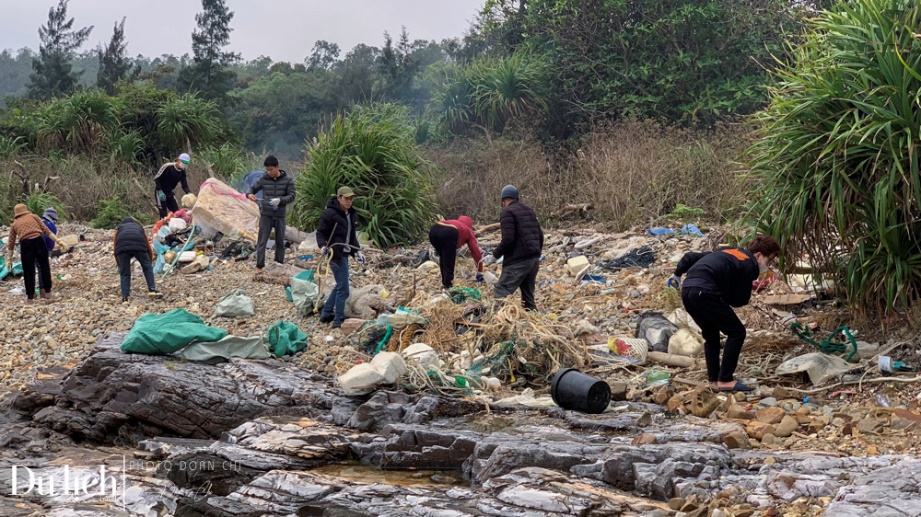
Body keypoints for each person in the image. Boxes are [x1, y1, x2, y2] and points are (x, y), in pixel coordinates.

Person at [669, 235, 781, 392]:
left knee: (711, 335)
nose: (767, 265)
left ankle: (714, 379)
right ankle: (726, 379)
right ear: (758, 255)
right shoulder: (750, 265)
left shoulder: (728, 251)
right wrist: (750, 287)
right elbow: (739, 301)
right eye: (769, 259)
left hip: (688, 291)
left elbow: (690, 257)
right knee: (737, 332)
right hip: (705, 292)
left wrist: (677, 274)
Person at [482, 185, 543, 310]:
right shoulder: (529, 210)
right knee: (528, 299)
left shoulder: (507, 212)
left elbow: (508, 239)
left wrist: (494, 256)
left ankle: (501, 324)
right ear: (516, 198)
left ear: (503, 200)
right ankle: (532, 323)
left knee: (501, 292)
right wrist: (536, 253)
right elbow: (540, 235)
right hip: (534, 260)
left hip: (518, 261)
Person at [316, 186, 366, 328]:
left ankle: (326, 313)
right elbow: (320, 232)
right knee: (344, 288)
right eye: (346, 199)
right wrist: (323, 246)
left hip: (345, 252)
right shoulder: (330, 214)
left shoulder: (351, 214)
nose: (349, 201)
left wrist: (357, 252)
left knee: (340, 285)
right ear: (339, 198)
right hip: (334, 254)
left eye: (351, 199)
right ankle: (338, 320)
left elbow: (351, 235)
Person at [5, 204, 68, 303]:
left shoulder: (14, 224)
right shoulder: (34, 216)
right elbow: (46, 231)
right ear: (26, 210)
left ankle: (30, 298)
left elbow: (11, 242)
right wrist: (58, 241)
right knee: (44, 268)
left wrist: (9, 258)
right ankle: (47, 293)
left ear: (16, 213)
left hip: (26, 245)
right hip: (39, 241)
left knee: (28, 272)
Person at [247, 155, 296, 270]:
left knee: (280, 242)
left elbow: (292, 196)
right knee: (262, 241)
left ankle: (278, 265)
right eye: (267, 170)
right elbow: (252, 188)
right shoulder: (264, 178)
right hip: (266, 214)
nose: (269, 172)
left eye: (271, 169)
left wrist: (280, 200)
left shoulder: (287, 180)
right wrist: (249, 194)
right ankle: (260, 266)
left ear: (277, 167)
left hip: (280, 215)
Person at [429, 216, 485, 289]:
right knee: (449, 260)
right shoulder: (468, 230)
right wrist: (480, 270)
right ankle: (448, 286)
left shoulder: (454, 222)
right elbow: (476, 252)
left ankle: (445, 282)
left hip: (434, 230)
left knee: (443, 257)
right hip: (449, 232)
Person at [114, 217, 162, 303]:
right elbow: (147, 245)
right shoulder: (139, 228)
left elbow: (115, 246)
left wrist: (119, 264)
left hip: (122, 249)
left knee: (125, 273)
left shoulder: (119, 229)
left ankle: (125, 297)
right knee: (147, 268)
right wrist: (149, 262)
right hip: (139, 247)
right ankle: (152, 290)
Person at [154, 153, 192, 218]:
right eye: (183, 162)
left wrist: (189, 193)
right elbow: (157, 178)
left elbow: (184, 185)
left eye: (186, 164)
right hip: (160, 192)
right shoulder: (168, 167)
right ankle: (162, 226)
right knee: (163, 214)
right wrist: (160, 190)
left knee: (177, 213)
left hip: (169, 192)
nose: (184, 165)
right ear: (179, 160)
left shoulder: (182, 172)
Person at [36, 207, 59, 293]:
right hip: (40, 248)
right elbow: (50, 245)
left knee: (31, 270)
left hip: (27, 247)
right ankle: (44, 292)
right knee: (43, 269)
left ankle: (31, 294)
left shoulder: (37, 221)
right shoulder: (50, 224)